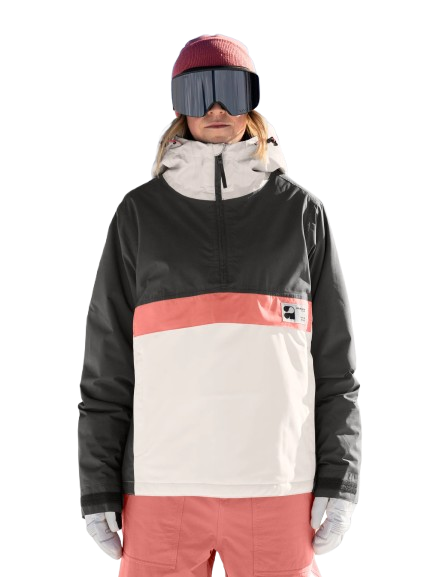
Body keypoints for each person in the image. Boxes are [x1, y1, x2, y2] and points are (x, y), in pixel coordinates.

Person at [77, 34, 362, 577]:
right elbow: (106, 368)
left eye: (231, 90)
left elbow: (334, 368)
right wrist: (97, 487)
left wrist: (340, 478)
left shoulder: (301, 213)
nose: (215, 107)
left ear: (252, 99)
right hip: (160, 487)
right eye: (197, 92)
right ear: (177, 105)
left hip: (279, 485)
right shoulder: (138, 215)